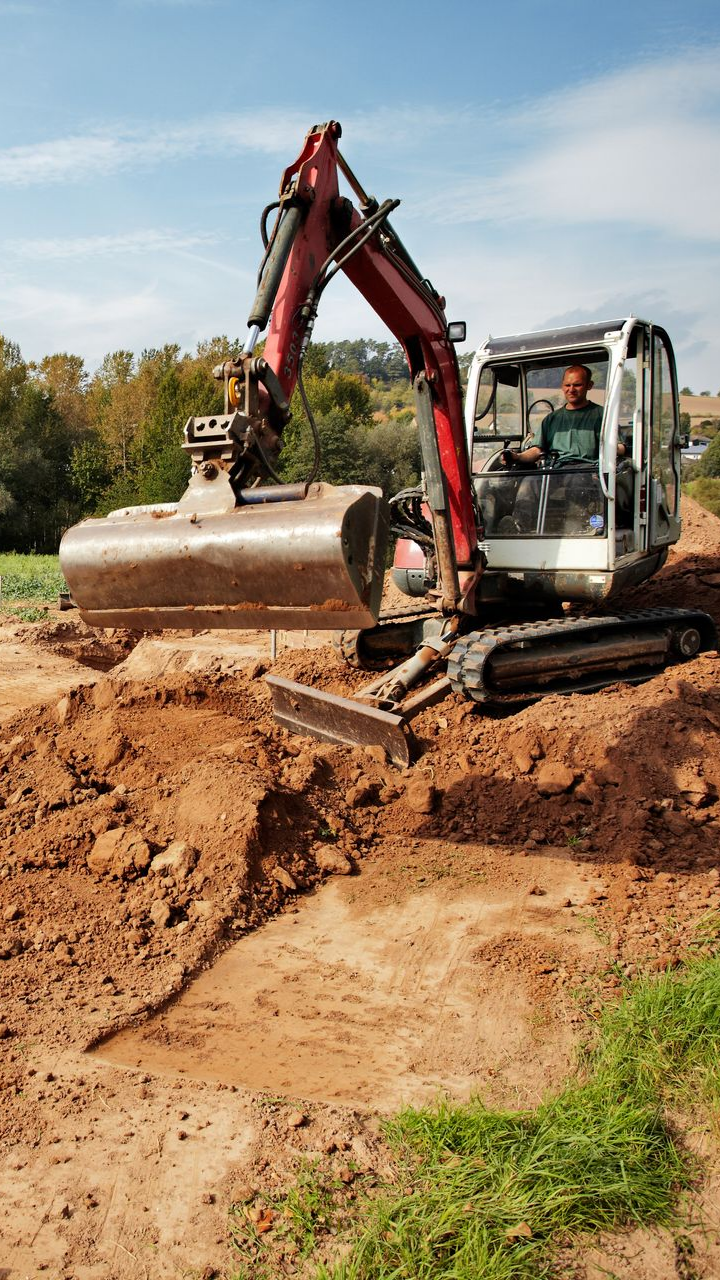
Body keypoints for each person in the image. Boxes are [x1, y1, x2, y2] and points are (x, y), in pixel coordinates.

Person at [498, 365, 625, 533]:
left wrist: (608, 449)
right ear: (562, 386)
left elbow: (621, 447)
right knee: (530, 483)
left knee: (577, 482)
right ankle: (520, 526)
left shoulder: (602, 415)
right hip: (556, 470)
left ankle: (586, 527)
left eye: (577, 385)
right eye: (567, 385)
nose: (571, 389)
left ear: (589, 385)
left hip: (587, 469)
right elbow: (537, 450)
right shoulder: (552, 419)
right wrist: (516, 457)